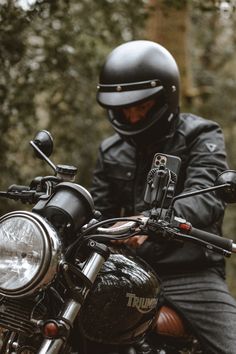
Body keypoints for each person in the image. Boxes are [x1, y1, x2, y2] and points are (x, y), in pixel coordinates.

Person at [90, 40, 236, 353]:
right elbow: (98, 211)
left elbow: (205, 196)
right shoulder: (110, 150)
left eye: (140, 106)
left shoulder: (201, 136)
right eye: (123, 109)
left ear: (162, 99)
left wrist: (150, 220)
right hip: (126, 269)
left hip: (189, 272)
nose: (131, 117)